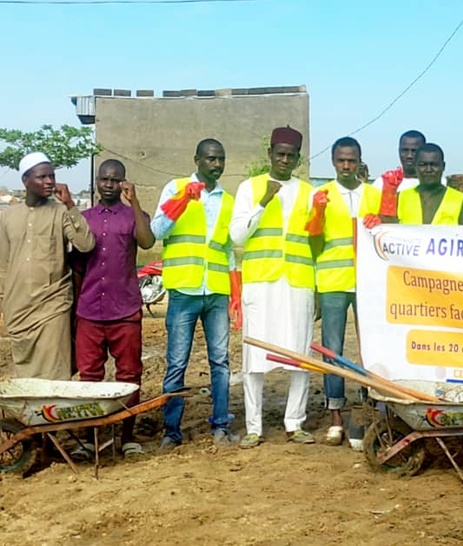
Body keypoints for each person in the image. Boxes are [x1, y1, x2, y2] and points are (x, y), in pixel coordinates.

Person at [230, 126, 316, 448]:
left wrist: (318, 287)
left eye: (290, 155)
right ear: (269, 153)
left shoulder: (308, 192)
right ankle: (254, 427)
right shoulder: (249, 188)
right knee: (255, 357)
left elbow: (314, 240)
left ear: (297, 158)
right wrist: (263, 202)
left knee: (301, 355)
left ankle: (295, 422)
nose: (284, 160)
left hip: (298, 282)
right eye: (279, 154)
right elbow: (237, 236)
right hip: (261, 282)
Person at [151, 138, 238, 449]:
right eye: (210, 158)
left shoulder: (228, 200)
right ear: (197, 159)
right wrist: (183, 202)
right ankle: (171, 431)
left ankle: (220, 426)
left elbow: (227, 250)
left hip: (215, 291)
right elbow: (157, 230)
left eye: (221, 158)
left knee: (221, 361)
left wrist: (235, 291)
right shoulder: (175, 188)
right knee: (176, 362)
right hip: (184, 290)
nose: (216, 164)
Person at [73, 159, 155, 457]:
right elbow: (78, 268)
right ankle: (89, 439)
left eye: (115, 180)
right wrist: (76, 309)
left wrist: (134, 203)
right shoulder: (84, 219)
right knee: (90, 377)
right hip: (90, 311)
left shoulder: (134, 216)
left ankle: (127, 437)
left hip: (125, 310)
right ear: (97, 181)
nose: (109, 184)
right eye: (104, 179)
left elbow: (146, 242)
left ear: (123, 183)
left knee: (130, 374)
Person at [310, 137, 382, 447]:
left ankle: (370, 411)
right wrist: (317, 214)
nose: (346, 166)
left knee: (371, 347)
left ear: (360, 160)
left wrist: (380, 222)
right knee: (333, 350)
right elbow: (313, 242)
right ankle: (336, 417)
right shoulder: (321, 195)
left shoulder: (374, 194)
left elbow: (386, 234)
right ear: (333, 162)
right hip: (333, 281)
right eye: (341, 160)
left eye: (351, 160)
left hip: (367, 282)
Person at [0, 152, 95, 380]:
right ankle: (32, 413)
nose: (50, 181)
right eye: (42, 177)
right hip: (18, 306)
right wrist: (4, 301)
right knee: (25, 369)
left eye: (51, 176)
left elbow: (86, 244)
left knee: (55, 368)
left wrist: (71, 204)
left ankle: (53, 412)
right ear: (25, 180)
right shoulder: (7, 216)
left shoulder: (61, 211)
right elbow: (3, 264)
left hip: (53, 303)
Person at [391, 143, 463, 226]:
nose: (428, 169)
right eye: (423, 165)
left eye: (434, 165)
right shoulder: (400, 198)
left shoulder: (459, 200)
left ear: (443, 166)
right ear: (415, 166)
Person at [372, 130, 446, 191]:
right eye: (405, 150)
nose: (409, 156)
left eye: (414, 151)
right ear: (399, 151)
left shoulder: (442, 183)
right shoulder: (384, 182)